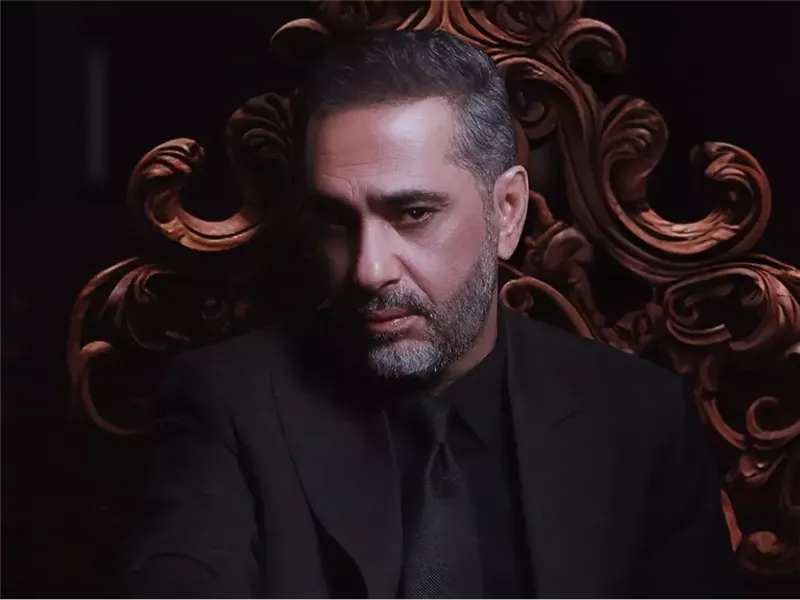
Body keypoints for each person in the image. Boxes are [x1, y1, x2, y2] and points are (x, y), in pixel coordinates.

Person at [121, 29, 737, 600]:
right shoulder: (227, 404)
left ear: (507, 211)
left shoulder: (642, 420)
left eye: (413, 213)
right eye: (336, 220)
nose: (369, 270)